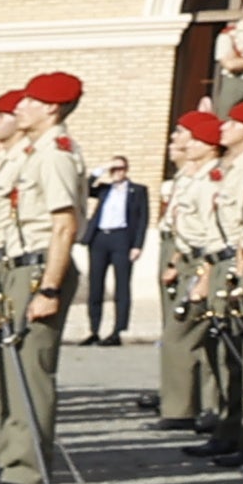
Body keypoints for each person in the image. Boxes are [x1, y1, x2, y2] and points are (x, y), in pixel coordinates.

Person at [0, 71, 92, 484]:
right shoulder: (36, 151)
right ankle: (11, 456)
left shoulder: (55, 154)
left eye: (29, 101)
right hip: (21, 265)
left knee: (32, 371)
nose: (18, 108)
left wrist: (49, 289)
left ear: (51, 108)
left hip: (41, 266)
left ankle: (27, 471)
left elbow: (64, 225)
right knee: (14, 371)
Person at [83, 150, 148, 354]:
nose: (117, 172)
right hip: (100, 238)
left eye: (120, 169)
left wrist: (137, 245)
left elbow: (143, 219)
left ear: (127, 170)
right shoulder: (103, 189)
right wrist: (100, 169)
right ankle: (94, 329)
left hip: (122, 239)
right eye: (114, 169)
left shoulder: (137, 190)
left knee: (121, 286)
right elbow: (84, 188)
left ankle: (117, 330)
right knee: (95, 286)